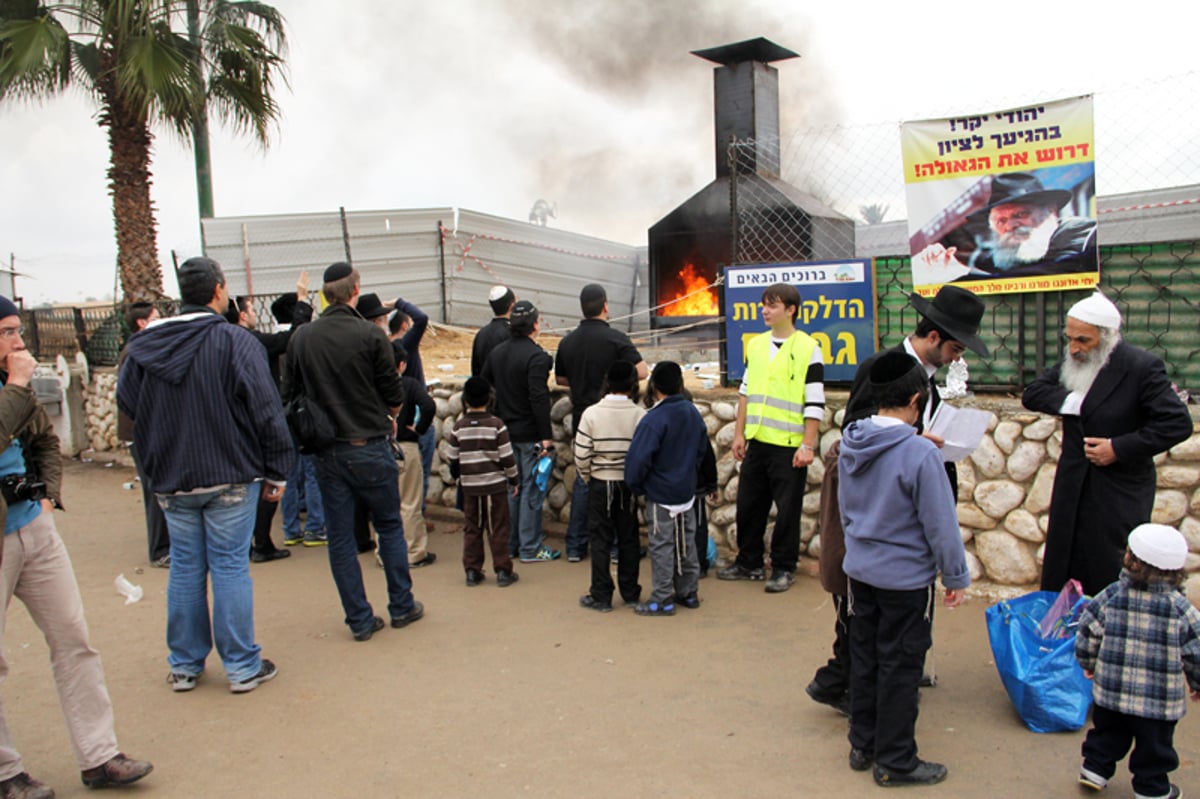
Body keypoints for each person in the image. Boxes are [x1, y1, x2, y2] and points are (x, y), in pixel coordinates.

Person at [807, 284, 989, 715]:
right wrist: (913, 440)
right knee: (861, 613)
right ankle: (844, 684)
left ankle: (855, 683)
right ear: (932, 337)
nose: (957, 358)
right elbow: (857, 432)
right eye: (955, 347)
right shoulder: (884, 368)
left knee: (883, 620)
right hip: (877, 515)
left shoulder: (929, 381)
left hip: (903, 511)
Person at [0, 296, 153, 798]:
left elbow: (43, 438)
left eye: (18, 330)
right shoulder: (13, 387)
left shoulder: (12, 385)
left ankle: (99, 755)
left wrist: (45, 496)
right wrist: (18, 386)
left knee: (74, 640)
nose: (19, 342)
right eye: (6, 332)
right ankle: (6, 773)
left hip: (34, 531)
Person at [119, 257, 292, 694]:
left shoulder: (144, 347)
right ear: (218, 291)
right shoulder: (235, 341)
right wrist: (278, 470)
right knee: (230, 567)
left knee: (186, 568)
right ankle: (241, 666)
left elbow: (129, 402)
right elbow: (266, 410)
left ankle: (185, 666)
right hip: (229, 474)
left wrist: (167, 431)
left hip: (172, 477)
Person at [839, 351, 970, 787]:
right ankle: (896, 759)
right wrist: (955, 576)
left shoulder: (852, 442)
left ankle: (863, 742)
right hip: (906, 579)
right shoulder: (920, 455)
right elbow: (940, 523)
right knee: (901, 664)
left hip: (860, 572)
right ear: (917, 400)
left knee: (865, 655)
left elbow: (845, 511)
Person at [281, 262, 424, 641]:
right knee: (390, 525)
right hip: (371, 445)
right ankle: (402, 605)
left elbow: (289, 396)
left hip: (327, 452)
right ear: (355, 290)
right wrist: (387, 415)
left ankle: (359, 619)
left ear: (326, 295)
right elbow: (395, 396)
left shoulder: (302, 338)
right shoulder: (371, 336)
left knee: (341, 538)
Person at [1022, 291, 1192, 596]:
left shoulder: (1141, 367)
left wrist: (1118, 448)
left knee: (1105, 570)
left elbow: (1176, 423)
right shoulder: (1072, 361)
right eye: (1070, 338)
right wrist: (1074, 402)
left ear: (1108, 337)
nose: (1074, 348)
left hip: (1117, 492)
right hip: (1073, 487)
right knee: (1063, 567)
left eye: (1084, 340)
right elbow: (1033, 393)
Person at [1075, 523, 1200, 799]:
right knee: (1155, 747)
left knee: (1106, 732)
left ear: (1130, 560)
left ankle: (1094, 769)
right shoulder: (1182, 611)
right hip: (1158, 702)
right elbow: (1196, 650)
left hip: (1111, 691)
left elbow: (1087, 629)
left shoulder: (1111, 595)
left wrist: (1088, 661)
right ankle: (1151, 788)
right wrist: (1197, 682)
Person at [717, 282, 824, 594]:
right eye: (764, 305)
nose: (765, 310)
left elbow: (814, 401)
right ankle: (748, 562)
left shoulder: (808, 348)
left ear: (790, 310)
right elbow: (745, 394)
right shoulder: (757, 345)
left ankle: (783, 568)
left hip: (789, 446)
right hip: (758, 441)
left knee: (787, 511)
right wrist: (739, 434)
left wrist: (808, 444)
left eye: (773, 305)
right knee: (749, 506)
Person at [555, 283, 648, 562]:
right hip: (614, 416)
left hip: (582, 416)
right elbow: (642, 371)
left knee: (585, 481)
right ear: (605, 306)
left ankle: (574, 545)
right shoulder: (616, 339)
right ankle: (618, 547)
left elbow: (560, 379)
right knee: (618, 480)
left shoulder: (567, 342)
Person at [227, 271, 314, 563]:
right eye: (251, 309)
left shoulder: (225, 340)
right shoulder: (246, 339)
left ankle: (255, 540)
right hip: (259, 423)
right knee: (273, 479)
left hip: (237, 424)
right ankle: (261, 542)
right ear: (241, 315)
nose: (254, 313)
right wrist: (302, 299)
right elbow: (290, 339)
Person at [624, 361, 709, 617]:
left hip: (661, 494)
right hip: (686, 491)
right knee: (686, 543)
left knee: (662, 546)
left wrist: (637, 485)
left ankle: (662, 599)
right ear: (681, 384)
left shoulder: (654, 419)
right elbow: (701, 450)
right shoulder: (692, 412)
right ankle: (688, 591)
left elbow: (638, 460)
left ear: (654, 387)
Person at [912, 172, 1098, 283]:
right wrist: (946, 271)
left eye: (1021, 214)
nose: (1010, 225)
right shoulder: (994, 258)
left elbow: (1052, 273)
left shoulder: (1082, 235)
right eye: (1001, 221)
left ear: (1050, 211)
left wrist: (961, 276)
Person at [481, 300, 559, 563]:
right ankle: (530, 547)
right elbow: (539, 398)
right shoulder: (538, 357)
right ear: (535, 325)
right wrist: (546, 436)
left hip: (503, 432)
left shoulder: (497, 354)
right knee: (530, 489)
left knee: (510, 489)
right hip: (529, 434)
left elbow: (485, 385)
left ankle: (512, 544)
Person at [575, 360, 645, 612]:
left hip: (599, 483)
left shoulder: (591, 413)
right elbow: (644, 454)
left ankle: (601, 595)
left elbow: (581, 455)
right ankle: (631, 592)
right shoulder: (640, 415)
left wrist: (588, 476)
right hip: (626, 485)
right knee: (629, 539)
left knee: (600, 539)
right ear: (632, 385)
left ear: (607, 383)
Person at [445, 377, 520, 587]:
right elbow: (507, 457)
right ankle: (503, 571)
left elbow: (452, 458)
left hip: (470, 487)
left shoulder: (459, 427)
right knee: (498, 528)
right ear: (490, 398)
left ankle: (472, 570)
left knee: (472, 528)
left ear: (465, 399)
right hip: (494, 487)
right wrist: (513, 479)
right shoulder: (497, 425)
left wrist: (460, 478)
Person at [117, 301, 169, 567]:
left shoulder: (139, 349)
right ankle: (160, 550)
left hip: (143, 430)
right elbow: (131, 395)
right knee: (154, 489)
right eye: (156, 317)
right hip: (141, 433)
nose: (161, 321)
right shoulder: (136, 352)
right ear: (142, 323)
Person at [274, 291, 327, 549]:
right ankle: (315, 528)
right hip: (305, 414)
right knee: (312, 472)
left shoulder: (271, 343)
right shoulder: (302, 341)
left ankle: (290, 529)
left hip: (282, 416)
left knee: (289, 474)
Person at [392, 346, 437, 568]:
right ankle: (412, 551)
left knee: (387, 503)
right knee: (410, 501)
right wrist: (419, 428)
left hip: (378, 446)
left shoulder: (370, 383)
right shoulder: (408, 384)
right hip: (405, 445)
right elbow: (428, 405)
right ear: (401, 365)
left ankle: (386, 552)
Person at [471, 285, 515, 377]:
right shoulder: (513, 333)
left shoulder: (481, 334)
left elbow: (475, 369)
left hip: (484, 388)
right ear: (512, 306)